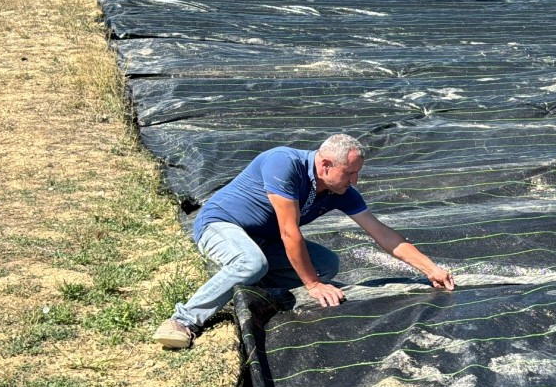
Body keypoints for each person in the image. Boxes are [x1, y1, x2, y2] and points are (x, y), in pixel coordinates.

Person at [153, 133, 455, 349]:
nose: (355, 182)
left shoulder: (342, 193)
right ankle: (183, 320)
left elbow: (382, 234)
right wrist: (311, 285)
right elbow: (289, 232)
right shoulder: (282, 163)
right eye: (350, 174)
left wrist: (430, 269)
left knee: (327, 265)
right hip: (221, 225)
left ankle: (254, 285)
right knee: (253, 262)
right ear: (325, 165)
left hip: (263, 240)